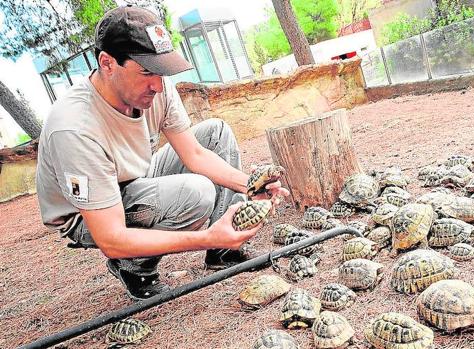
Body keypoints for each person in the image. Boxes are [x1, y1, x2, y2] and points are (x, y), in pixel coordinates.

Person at [35, 6, 289, 301]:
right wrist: (203, 237)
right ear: (107, 63)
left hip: (133, 178)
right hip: (87, 214)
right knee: (197, 193)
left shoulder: (157, 88)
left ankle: (223, 249)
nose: (157, 85)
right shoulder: (74, 128)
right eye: (146, 72)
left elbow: (195, 153)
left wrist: (251, 184)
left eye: (161, 71)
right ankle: (135, 268)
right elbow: (111, 238)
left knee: (215, 133)